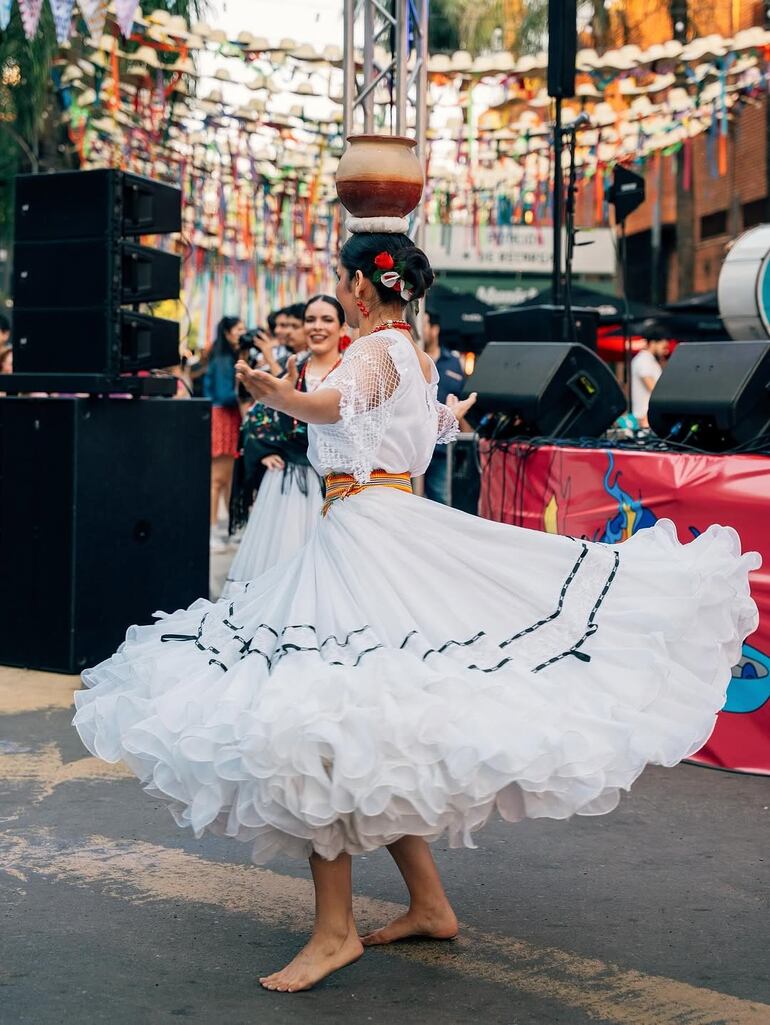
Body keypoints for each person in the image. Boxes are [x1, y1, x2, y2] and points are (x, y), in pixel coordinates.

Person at [73, 229, 759, 995]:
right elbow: (407, 428)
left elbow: (335, 404)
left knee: (319, 719)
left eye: (343, 280)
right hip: (373, 523)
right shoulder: (411, 353)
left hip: (366, 532)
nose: (340, 291)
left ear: (363, 287)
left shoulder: (376, 349)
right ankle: (429, 904)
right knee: (374, 716)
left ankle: (335, 931)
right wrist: (429, 413)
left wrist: (281, 395)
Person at [225, 296, 344, 591]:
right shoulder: (293, 369)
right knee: (278, 570)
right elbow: (256, 417)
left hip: (337, 486)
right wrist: (265, 451)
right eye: (310, 320)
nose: (317, 327)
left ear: (342, 327)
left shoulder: (351, 373)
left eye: (327, 320)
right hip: (286, 484)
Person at [204, 316, 245, 552]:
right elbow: (224, 394)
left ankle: (229, 528)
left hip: (226, 418)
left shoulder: (223, 357)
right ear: (228, 333)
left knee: (227, 479)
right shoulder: (223, 360)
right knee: (218, 480)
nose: (243, 333)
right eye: (239, 329)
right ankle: (212, 531)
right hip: (224, 418)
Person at [422, 309, 467, 503]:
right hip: (414, 447)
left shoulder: (453, 362)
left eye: (422, 324)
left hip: (441, 451)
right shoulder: (413, 359)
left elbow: (462, 398)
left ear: (434, 329)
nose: (418, 330)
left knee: (441, 500)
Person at [631, 333, 670, 427]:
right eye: (663, 347)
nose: (665, 352)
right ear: (653, 343)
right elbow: (654, 390)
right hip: (645, 419)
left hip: (648, 417)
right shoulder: (644, 360)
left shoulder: (649, 360)